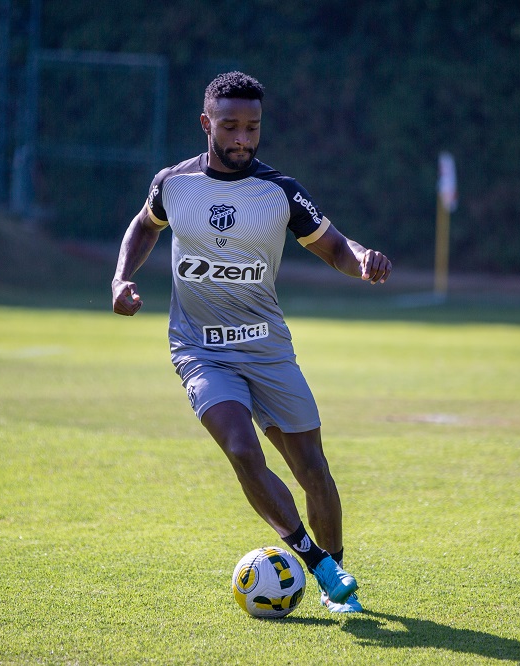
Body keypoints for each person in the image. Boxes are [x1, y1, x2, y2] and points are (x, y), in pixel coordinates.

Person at [111, 71, 391, 614]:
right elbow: (144, 226)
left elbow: (334, 246)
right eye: (231, 126)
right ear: (206, 123)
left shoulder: (279, 192)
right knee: (242, 449)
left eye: (253, 128)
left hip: (266, 348)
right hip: (199, 348)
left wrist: (362, 261)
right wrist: (122, 278)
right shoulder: (173, 183)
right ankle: (321, 566)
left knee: (313, 469)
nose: (243, 138)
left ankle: (336, 563)